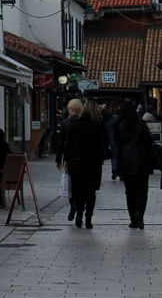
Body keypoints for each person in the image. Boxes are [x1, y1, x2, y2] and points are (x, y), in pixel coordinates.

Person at [63, 100, 109, 229]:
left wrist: (66, 159)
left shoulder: (75, 124)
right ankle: (88, 218)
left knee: (79, 190)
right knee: (91, 191)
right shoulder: (98, 125)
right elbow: (105, 142)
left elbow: (69, 144)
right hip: (94, 162)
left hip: (77, 161)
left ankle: (79, 215)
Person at [113, 99, 155, 229]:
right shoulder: (140, 124)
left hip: (126, 161)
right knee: (142, 190)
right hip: (141, 160)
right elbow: (149, 141)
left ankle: (133, 218)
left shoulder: (117, 125)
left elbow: (117, 143)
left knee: (129, 191)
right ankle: (139, 214)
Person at [55, 98, 82, 221]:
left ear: (70, 109)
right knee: (81, 184)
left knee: (72, 183)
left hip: (70, 158)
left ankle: (73, 203)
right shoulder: (84, 122)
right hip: (83, 157)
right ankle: (80, 207)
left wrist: (58, 159)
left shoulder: (66, 123)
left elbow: (61, 143)